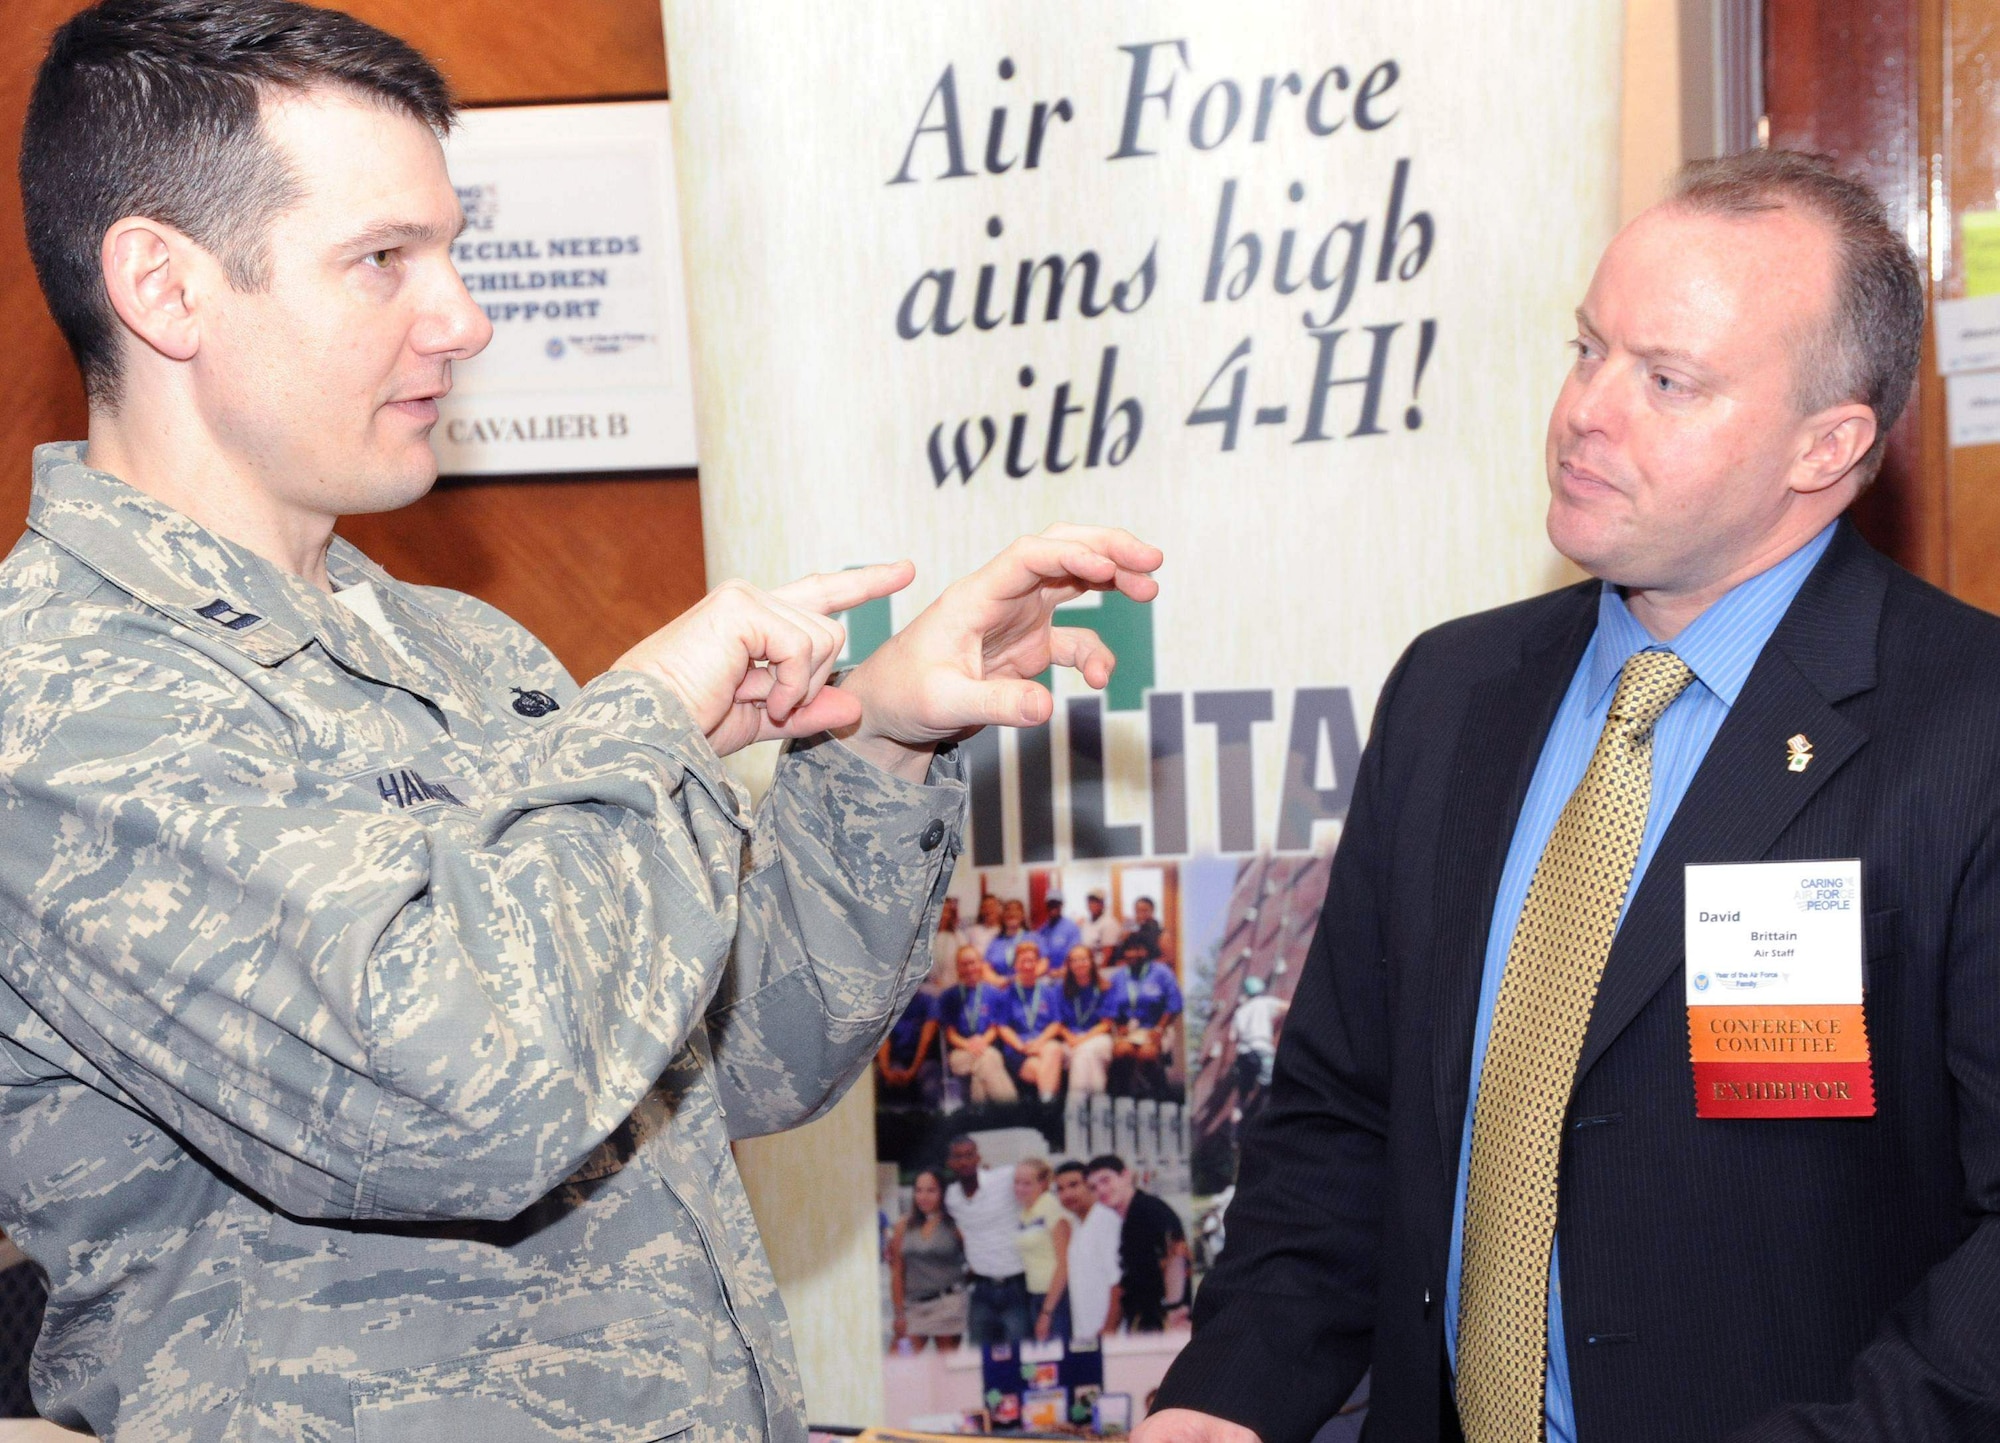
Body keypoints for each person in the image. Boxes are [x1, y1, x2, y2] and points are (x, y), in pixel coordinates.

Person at [0, 4, 1165, 1439]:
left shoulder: (456, 645)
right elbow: (461, 1090)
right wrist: (654, 713)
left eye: (453, 246)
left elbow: (735, 1055)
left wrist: (879, 747)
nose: (464, 317)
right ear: (163, 289)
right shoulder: (49, 701)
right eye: (383, 260)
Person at [1146, 150, 2000, 1443]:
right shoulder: (1453, 692)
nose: (1585, 410)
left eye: (1667, 380)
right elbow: (1344, 1115)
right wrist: (1229, 1392)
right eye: (1588, 347)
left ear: (1827, 444)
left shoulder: (1966, 730)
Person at [944, 1136, 1033, 1345]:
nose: (964, 1161)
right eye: (958, 1157)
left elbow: (1041, 1177)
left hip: (1016, 1286)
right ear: (950, 1163)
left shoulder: (1005, 1178)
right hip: (982, 1291)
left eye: (969, 1155)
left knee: (1020, 1358)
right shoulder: (951, 1197)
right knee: (980, 1360)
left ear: (978, 1158)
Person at [1087, 1155, 1188, 1334]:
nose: (1101, 1190)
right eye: (1093, 1187)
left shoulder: (1147, 1211)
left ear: (1126, 1176)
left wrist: (1174, 1309)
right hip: (1148, 1318)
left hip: (1161, 1322)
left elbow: (1176, 1255)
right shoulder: (1132, 1217)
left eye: (1106, 1180)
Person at [888, 1168, 968, 1352]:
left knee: (946, 1370)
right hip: (913, 1309)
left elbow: (976, 1258)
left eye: (931, 1190)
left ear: (942, 1192)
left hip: (948, 1306)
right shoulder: (903, 1226)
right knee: (898, 1363)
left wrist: (962, 1282)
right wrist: (899, 1313)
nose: (923, 1196)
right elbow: (897, 1271)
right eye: (919, 1190)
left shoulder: (954, 1224)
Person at [1107, 935, 1184, 1100]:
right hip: (1128, 1030)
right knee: (1122, 1051)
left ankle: (1156, 1095)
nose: (1134, 954)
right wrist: (1119, 1026)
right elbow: (1110, 1008)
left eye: (1139, 949)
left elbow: (1174, 1004)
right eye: (1130, 950)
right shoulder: (1117, 976)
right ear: (1124, 953)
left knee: (1147, 1054)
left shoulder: (1162, 972)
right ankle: (1125, 1096)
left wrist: (1159, 1028)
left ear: (1147, 951)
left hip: (1158, 1027)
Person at [1055, 1159, 1123, 1341]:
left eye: (1073, 1185)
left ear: (1089, 1186)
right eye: (1060, 1189)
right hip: (1085, 1334)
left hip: (1108, 1334)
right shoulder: (1076, 1225)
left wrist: (1109, 1329)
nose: (1067, 1194)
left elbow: (1118, 1283)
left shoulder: (1105, 1220)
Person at [941, 945, 1017, 1106]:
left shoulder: (994, 993)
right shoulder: (949, 996)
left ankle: (980, 1116)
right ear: (958, 968)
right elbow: (950, 1033)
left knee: (984, 1063)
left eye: (973, 963)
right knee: (990, 1057)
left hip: (986, 1047)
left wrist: (981, 1042)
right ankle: (1011, 1109)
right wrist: (969, 1045)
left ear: (981, 964)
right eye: (964, 964)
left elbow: (994, 1028)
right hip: (960, 1054)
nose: (969, 968)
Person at [998, 940, 1066, 1103]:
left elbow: (1056, 1023)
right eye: (1023, 961)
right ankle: (1050, 1109)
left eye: (1032, 960)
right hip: (1018, 1051)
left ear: (1038, 963)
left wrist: (1038, 1043)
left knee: (1054, 1048)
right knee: (1044, 1070)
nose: (1028, 965)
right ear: (1016, 965)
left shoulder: (1048, 991)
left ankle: (1046, 1108)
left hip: (1043, 1044)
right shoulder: (1007, 993)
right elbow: (1002, 1027)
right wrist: (1021, 1046)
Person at [1013, 1158, 1073, 1342]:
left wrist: (1047, 1311)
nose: (1020, 1188)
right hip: (1034, 1295)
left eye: (1027, 1183)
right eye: (1016, 1182)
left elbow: (1064, 1262)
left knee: (1058, 1360)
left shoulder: (1052, 1207)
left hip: (1056, 1297)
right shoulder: (1025, 1213)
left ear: (1043, 1183)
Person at [1057, 943, 1117, 1096]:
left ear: (1091, 962)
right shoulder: (1060, 989)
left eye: (1083, 959)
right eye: (1074, 960)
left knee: (1084, 1052)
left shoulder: (1105, 987)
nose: (1079, 964)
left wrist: (1082, 1041)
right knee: (1084, 1055)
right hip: (1069, 1039)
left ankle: (1075, 1107)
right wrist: (1071, 1038)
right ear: (1069, 965)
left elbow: (1106, 1024)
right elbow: (1057, 1023)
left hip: (1098, 1037)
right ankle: (1098, 1105)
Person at [876, 988, 940, 1109]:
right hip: (895, 1060)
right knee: (881, 1081)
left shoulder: (929, 1001)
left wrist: (913, 1070)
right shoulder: (886, 1004)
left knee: (930, 1085)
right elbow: (883, 1039)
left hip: (923, 1061)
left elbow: (926, 1040)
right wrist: (886, 1071)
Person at [1226, 976, 1289, 1092]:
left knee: (1246, 1085)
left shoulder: (1240, 1011)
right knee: (1269, 1081)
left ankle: (1241, 1106)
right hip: (1262, 1048)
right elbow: (1287, 1007)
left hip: (1244, 1052)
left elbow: (1232, 1037)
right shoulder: (1265, 1003)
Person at [984, 898, 1035, 979]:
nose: (1012, 913)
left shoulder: (1034, 937)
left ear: (1023, 916)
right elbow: (985, 967)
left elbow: (1044, 963)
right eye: (1008, 910)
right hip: (1000, 987)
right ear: (1003, 916)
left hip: (1026, 986)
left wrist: (1025, 977)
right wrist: (997, 981)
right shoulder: (995, 942)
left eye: (1016, 910)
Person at [927, 895, 969, 991]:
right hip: (932, 987)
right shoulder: (928, 938)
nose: (943, 914)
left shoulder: (958, 937)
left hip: (955, 986)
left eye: (946, 911)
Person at [1032, 888, 1084, 963]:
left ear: (1062, 905)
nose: (1053, 907)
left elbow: (1075, 954)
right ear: (1046, 906)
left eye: (1056, 904)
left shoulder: (1072, 927)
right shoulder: (1042, 930)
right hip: (1046, 972)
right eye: (1051, 904)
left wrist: (1063, 970)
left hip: (1067, 972)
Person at [1080, 888, 1125, 967]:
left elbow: (1107, 955)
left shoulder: (1110, 923)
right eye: (1090, 901)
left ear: (1102, 903)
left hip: (1104, 968)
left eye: (1096, 902)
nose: (1093, 904)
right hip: (1088, 965)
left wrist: (1099, 973)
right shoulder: (1087, 923)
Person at [966, 893, 1005, 962]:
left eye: (992, 906)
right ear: (981, 910)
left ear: (999, 909)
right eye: (985, 907)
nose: (989, 910)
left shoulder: (1004, 931)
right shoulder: (972, 931)